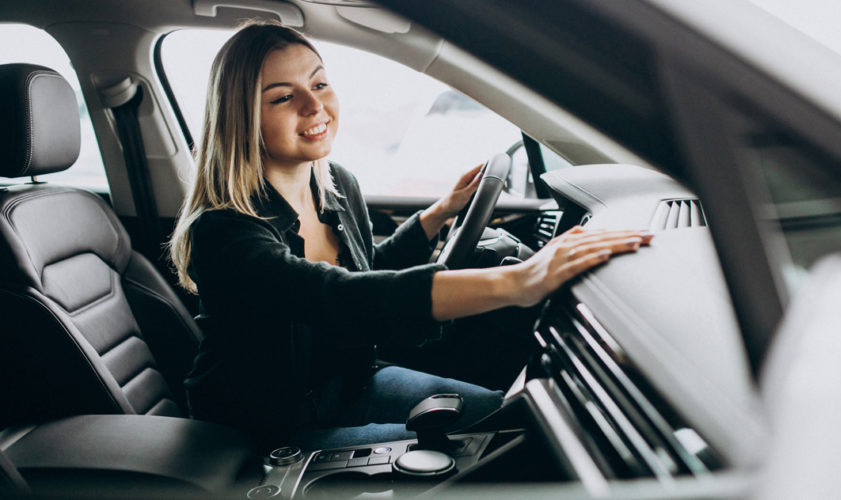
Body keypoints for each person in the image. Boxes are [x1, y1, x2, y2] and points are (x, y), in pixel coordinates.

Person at [168, 20, 651, 450]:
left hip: (352, 382)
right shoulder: (224, 232)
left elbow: (367, 266)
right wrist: (517, 282)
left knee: (504, 415)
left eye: (319, 83)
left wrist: (440, 213)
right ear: (242, 118)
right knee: (478, 445)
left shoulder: (336, 185)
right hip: (272, 426)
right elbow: (335, 295)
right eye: (282, 96)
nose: (315, 105)